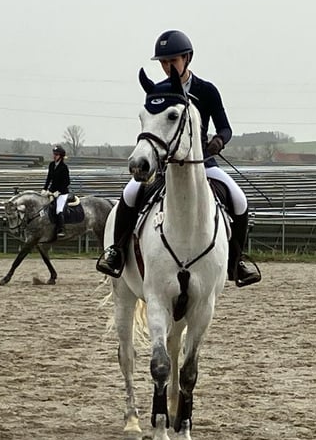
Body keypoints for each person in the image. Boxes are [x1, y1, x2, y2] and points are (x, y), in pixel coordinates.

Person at [96, 30, 261, 287]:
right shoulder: (157, 91)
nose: (167, 66)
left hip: (202, 164)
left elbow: (226, 128)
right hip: (165, 167)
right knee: (129, 195)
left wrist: (218, 141)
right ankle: (116, 253)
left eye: (172, 60)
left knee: (239, 200)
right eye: (163, 62)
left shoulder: (206, 91)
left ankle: (235, 263)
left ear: (187, 58)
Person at [42, 144, 70, 237]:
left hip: (62, 193)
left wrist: (59, 192)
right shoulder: (51, 165)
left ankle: (61, 229)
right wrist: (44, 189)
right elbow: (49, 178)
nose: (54, 156)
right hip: (52, 191)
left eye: (56, 154)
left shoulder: (64, 167)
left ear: (61, 156)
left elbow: (67, 182)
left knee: (59, 209)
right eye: (54, 154)